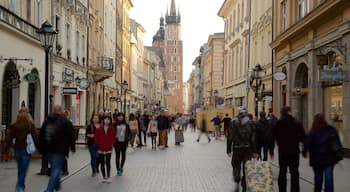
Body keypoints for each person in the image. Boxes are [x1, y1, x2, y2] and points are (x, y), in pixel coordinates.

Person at [39, 105, 76, 192]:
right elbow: (71, 135)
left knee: (54, 168)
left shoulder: (47, 120)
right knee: (56, 169)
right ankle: (49, 189)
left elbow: (42, 134)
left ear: (53, 110)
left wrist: (41, 148)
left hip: (48, 149)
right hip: (59, 150)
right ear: (61, 111)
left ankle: (57, 185)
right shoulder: (65, 121)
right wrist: (72, 147)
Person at [269, 106, 305, 192]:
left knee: (282, 172)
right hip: (294, 152)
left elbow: (272, 138)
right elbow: (303, 137)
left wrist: (271, 150)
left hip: (283, 152)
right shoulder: (297, 123)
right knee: (294, 173)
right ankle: (295, 190)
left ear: (281, 113)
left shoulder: (278, 124)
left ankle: (282, 190)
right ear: (289, 112)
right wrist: (304, 149)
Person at [303, 113, 341, 192]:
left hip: (317, 159)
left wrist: (304, 152)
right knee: (329, 178)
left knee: (318, 178)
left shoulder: (313, 131)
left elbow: (307, 143)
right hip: (329, 159)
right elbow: (337, 142)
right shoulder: (331, 129)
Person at [227, 107, 258, 192]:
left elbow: (230, 137)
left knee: (236, 165)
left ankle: (237, 179)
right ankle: (244, 185)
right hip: (247, 149)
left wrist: (228, 150)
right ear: (247, 113)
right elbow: (253, 139)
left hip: (237, 148)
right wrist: (255, 151)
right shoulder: (251, 123)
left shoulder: (233, 122)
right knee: (246, 167)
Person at [6, 108, 37, 192]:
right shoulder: (30, 125)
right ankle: (19, 187)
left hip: (17, 150)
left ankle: (21, 187)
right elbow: (34, 137)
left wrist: (7, 149)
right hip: (26, 150)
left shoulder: (14, 125)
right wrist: (37, 148)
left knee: (20, 169)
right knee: (23, 170)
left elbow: (9, 138)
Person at [94, 116, 115, 182]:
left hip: (109, 148)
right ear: (103, 120)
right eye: (105, 119)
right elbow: (96, 137)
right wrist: (99, 143)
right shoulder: (99, 128)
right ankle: (104, 176)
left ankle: (108, 176)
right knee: (102, 163)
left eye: (108, 119)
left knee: (108, 162)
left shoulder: (112, 128)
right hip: (101, 148)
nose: (107, 120)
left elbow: (114, 137)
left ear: (110, 121)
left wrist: (111, 143)